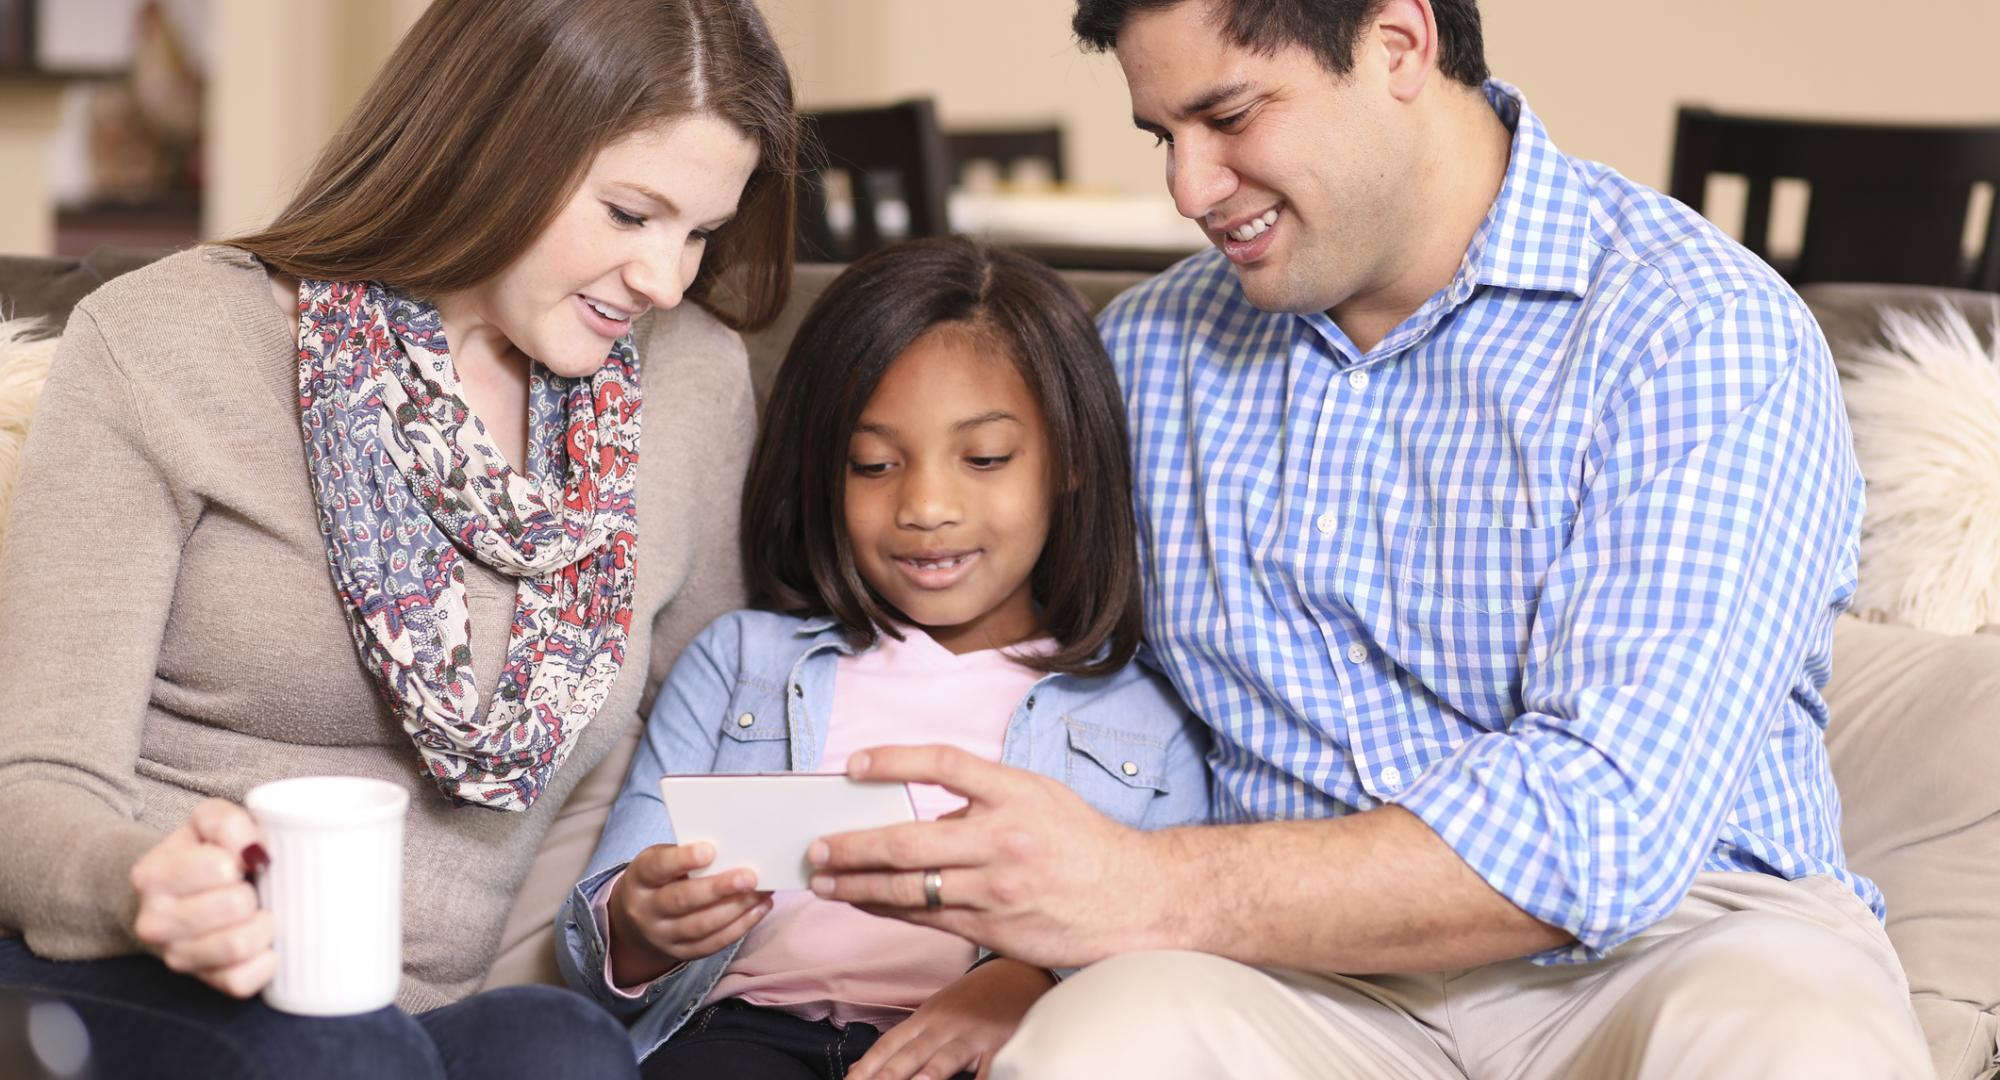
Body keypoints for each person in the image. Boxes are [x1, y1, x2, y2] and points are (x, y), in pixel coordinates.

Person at [800, 2, 1937, 1077]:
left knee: (1793, 1037)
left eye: (1231, 118)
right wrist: (1023, 941)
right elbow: (1059, 670)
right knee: (1096, 1042)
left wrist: (1131, 886)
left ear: (1397, 45)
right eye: (1161, 134)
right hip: (1297, 973)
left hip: (1673, 939)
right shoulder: (1144, 353)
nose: (1188, 188)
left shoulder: (1692, 332)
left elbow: (1606, 826)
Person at [0, 0, 799, 1076]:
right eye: (627, 214)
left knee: (559, 1049)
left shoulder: (690, 381)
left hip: (445, 1016)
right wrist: (142, 887)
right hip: (148, 973)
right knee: (339, 1054)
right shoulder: (172, 342)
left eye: (699, 232)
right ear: (490, 145)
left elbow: (706, 747)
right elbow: (32, 781)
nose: (664, 279)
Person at [555, 236, 1212, 1080]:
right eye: (874, 464)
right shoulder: (740, 662)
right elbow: (603, 935)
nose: (927, 506)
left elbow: (1172, 943)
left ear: (1071, 460)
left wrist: (1033, 978)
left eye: (984, 459)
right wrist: (642, 925)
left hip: (978, 1052)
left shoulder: (1145, 712)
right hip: (742, 1034)